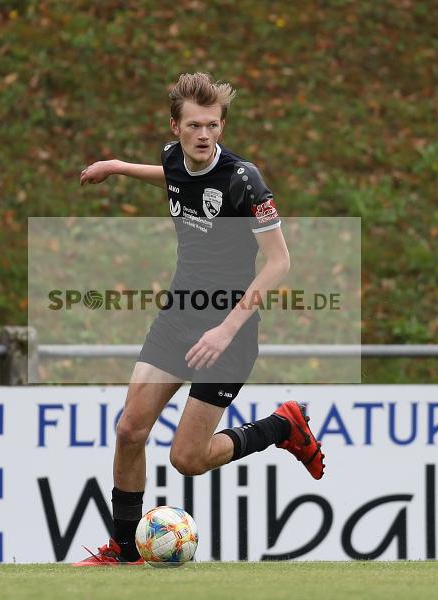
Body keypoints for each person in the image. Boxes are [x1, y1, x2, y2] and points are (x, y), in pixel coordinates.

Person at [74, 73, 324, 566]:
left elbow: (279, 263)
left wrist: (227, 328)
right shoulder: (173, 157)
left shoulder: (243, 179)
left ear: (222, 126)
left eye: (213, 125)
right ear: (177, 127)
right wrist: (118, 167)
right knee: (129, 430)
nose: (204, 134)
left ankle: (281, 427)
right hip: (177, 319)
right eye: (194, 126)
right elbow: (175, 176)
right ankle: (123, 551)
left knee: (187, 460)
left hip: (228, 331)